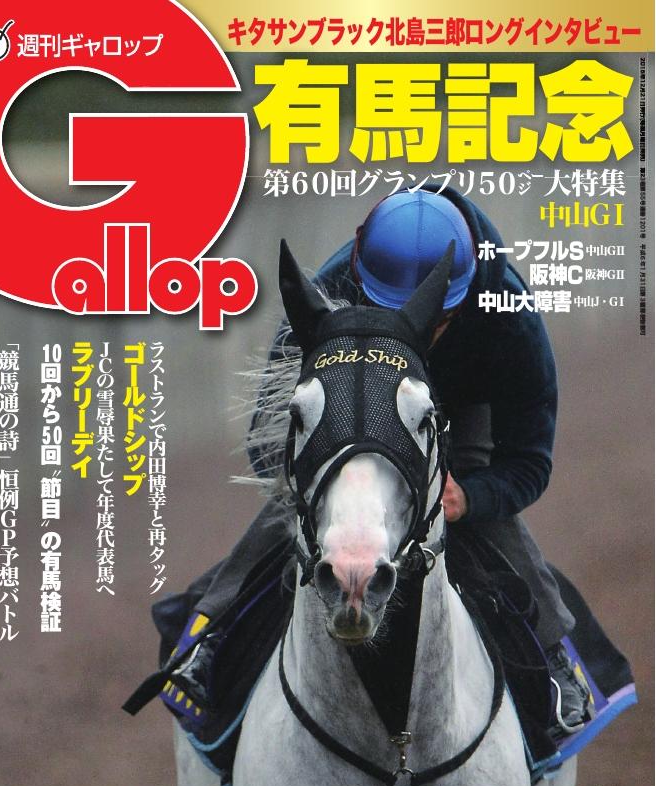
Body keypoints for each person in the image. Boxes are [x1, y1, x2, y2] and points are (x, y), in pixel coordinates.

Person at [165, 185, 591, 739]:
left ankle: (556, 659)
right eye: (386, 311)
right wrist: (324, 479)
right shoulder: (330, 289)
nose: (407, 334)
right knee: (305, 496)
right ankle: (211, 635)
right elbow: (268, 442)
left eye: (429, 321)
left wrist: (472, 496)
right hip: (359, 399)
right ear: (360, 279)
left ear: (460, 300)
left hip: (463, 412)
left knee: (493, 522)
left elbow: (529, 460)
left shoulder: (511, 318)